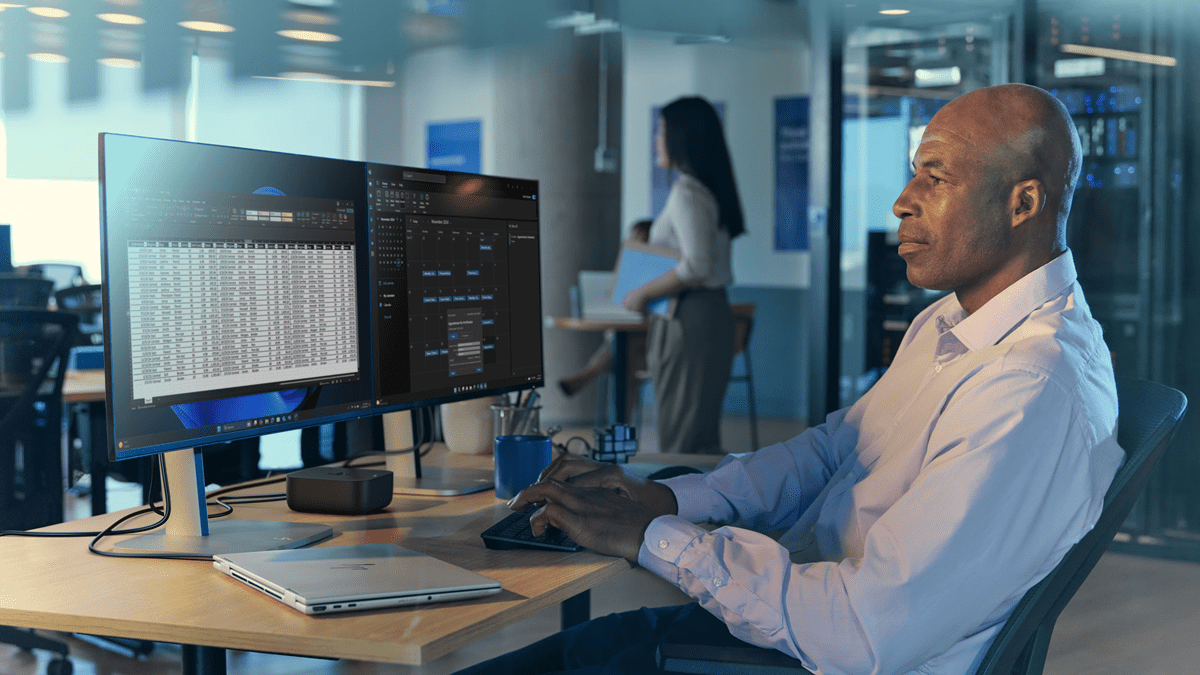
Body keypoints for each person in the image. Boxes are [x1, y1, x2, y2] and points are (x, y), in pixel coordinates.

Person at [454, 83, 1124, 675]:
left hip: (814, 651)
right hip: (780, 625)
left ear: (1023, 202)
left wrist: (653, 539)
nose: (901, 200)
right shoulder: (950, 322)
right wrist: (670, 503)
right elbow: (837, 448)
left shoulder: (1030, 390)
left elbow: (859, 633)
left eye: (935, 177)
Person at [623, 96, 745, 454]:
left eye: (661, 132)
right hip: (705, 315)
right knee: (697, 436)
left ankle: (683, 510)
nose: (656, 141)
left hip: (690, 317)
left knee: (682, 439)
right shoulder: (707, 190)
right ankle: (701, 511)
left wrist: (642, 293)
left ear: (683, 136)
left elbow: (696, 266)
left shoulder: (687, 190)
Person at [558, 219, 652, 406]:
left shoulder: (662, 275)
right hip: (636, 344)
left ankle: (586, 376)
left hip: (653, 349)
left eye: (641, 240)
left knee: (625, 352)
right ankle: (622, 427)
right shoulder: (628, 274)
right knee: (623, 350)